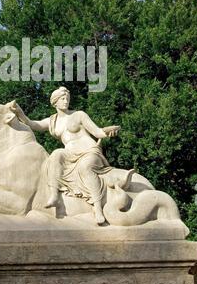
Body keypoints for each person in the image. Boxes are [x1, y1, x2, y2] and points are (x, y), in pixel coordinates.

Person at [11, 87, 120, 224]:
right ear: (55, 102)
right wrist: (20, 112)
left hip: (88, 150)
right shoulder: (53, 120)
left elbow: (97, 131)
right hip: (69, 153)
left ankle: (98, 208)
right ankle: (54, 195)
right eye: (62, 99)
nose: (66, 101)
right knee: (56, 154)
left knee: (85, 168)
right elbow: (33, 124)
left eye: (67, 99)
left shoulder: (79, 115)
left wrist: (107, 131)